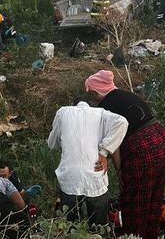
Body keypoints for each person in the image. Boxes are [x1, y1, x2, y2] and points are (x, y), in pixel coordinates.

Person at [85, 70, 165, 239]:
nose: (92, 98)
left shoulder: (106, 107)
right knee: (154, 196)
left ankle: (134, 235)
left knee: (135, 202)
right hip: (162, 140)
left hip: (144, 148)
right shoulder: (124, 95)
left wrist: (120, 172)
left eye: (92, 94)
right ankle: (151, 234)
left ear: (97, 91)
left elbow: (113, 145)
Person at [47, 95, 128, 227]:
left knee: (71, 225)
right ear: (90, 105)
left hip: (69, 178)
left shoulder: (63, 112)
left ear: (73, 104)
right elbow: (122, 122)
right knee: (98, 226)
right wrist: (104, 151)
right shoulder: (100, 113)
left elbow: (52, 143)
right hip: (95, 176)